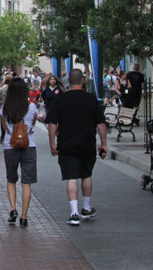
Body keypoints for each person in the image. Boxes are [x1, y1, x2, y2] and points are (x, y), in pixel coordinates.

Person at [46, 68, 107, 226]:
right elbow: (101, 123)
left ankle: (74, 213)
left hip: (66, 144)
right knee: (86, 175)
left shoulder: (61, 99)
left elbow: (52, 123)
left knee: (71, 177)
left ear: (68, 82)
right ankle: (86, 208)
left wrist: (52, 143)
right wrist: (104, 144)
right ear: (82, 81)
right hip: (87, 143)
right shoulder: (91, 99)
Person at [1, 78, 37, 226]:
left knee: (11, 179)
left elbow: (5, 128)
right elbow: (33, 123)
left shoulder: (5, 108)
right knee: (26, 182)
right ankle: (24, 216)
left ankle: (13, 209)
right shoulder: (32, 107)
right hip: (29, 145)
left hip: (11, 146)